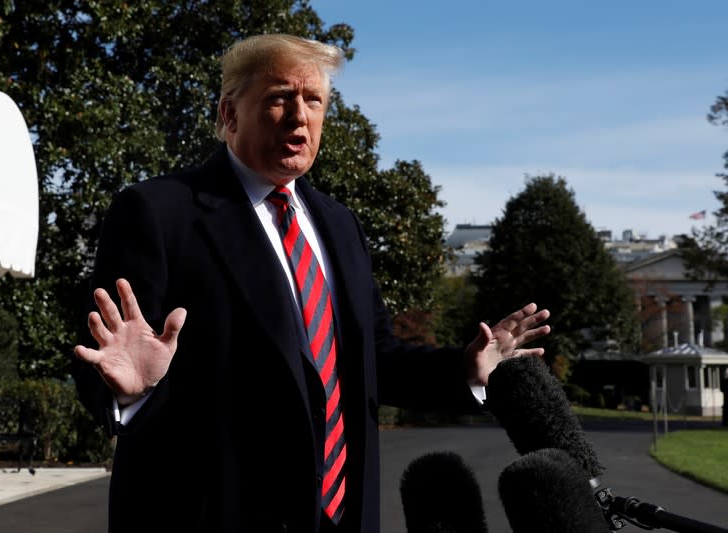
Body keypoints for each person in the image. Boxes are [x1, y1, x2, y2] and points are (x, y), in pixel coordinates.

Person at [72, 33, 551, 533]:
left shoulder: (340, 225)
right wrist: (131, 392)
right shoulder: (157, 212)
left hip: (343, 516)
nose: (299, 116)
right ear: (229, 114)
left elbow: (377, 360)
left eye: (314, 101)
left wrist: (466, 368)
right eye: (279, 98)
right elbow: (105, 361)